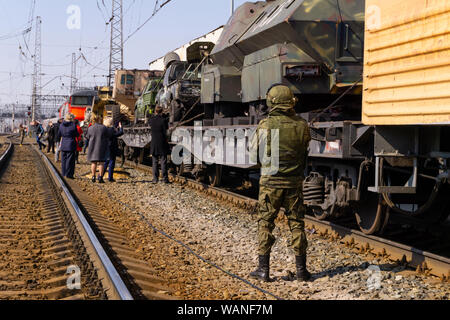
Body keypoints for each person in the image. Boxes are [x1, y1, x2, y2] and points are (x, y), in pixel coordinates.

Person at [249, 84, 311, 282]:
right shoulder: (302, 125)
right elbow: (305, 154)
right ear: (291, 101)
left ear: (271, 102)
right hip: (294, 183)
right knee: (297, 224)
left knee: (265, 223)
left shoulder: (265, 125)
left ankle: (263, 270)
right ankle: (301, 271)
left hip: (270, 184)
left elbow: (253, 157)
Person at [86, 115, 112, 183]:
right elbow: (109, 136)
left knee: (93, 162)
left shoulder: (90, 128)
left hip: (93, 147)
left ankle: (93, 176)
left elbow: (87, 137)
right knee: (101, 163)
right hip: (101, 147)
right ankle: (100, 177)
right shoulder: (104, 128)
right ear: (100, 120)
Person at [149, 106, 170, 184]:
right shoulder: (163, 120)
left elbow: (150, 124)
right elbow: (165, 132)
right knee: (163, 161)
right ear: (161, 112)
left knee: (154, 161)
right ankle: (165, 179)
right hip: (162, 142)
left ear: (155, 111)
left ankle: (155, 179)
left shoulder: (151, 120)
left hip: (154, 142)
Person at [58, 113, 78, 179]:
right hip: (71, 144)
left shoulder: (61, 125)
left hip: (63, 144)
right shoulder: (73, 125)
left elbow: (59, 134)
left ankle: (63, 173)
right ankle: (69, 174)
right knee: (70, 161)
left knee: (63, 160)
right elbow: (76, 134)